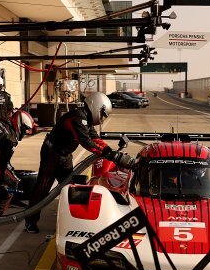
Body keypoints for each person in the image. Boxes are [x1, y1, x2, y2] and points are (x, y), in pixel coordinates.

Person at [24, 92, 136, 233]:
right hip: (52, 153)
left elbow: (94, 138)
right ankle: (30, 221)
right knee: (43, 188)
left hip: (64, 154)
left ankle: (72, 220)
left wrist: (112, 152)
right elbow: (86, 142)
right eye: (102, 114)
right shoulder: (77, 117)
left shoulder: (85, 119)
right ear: (96, 107)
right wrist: (110, 154)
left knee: (70, 187)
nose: (101, 118)